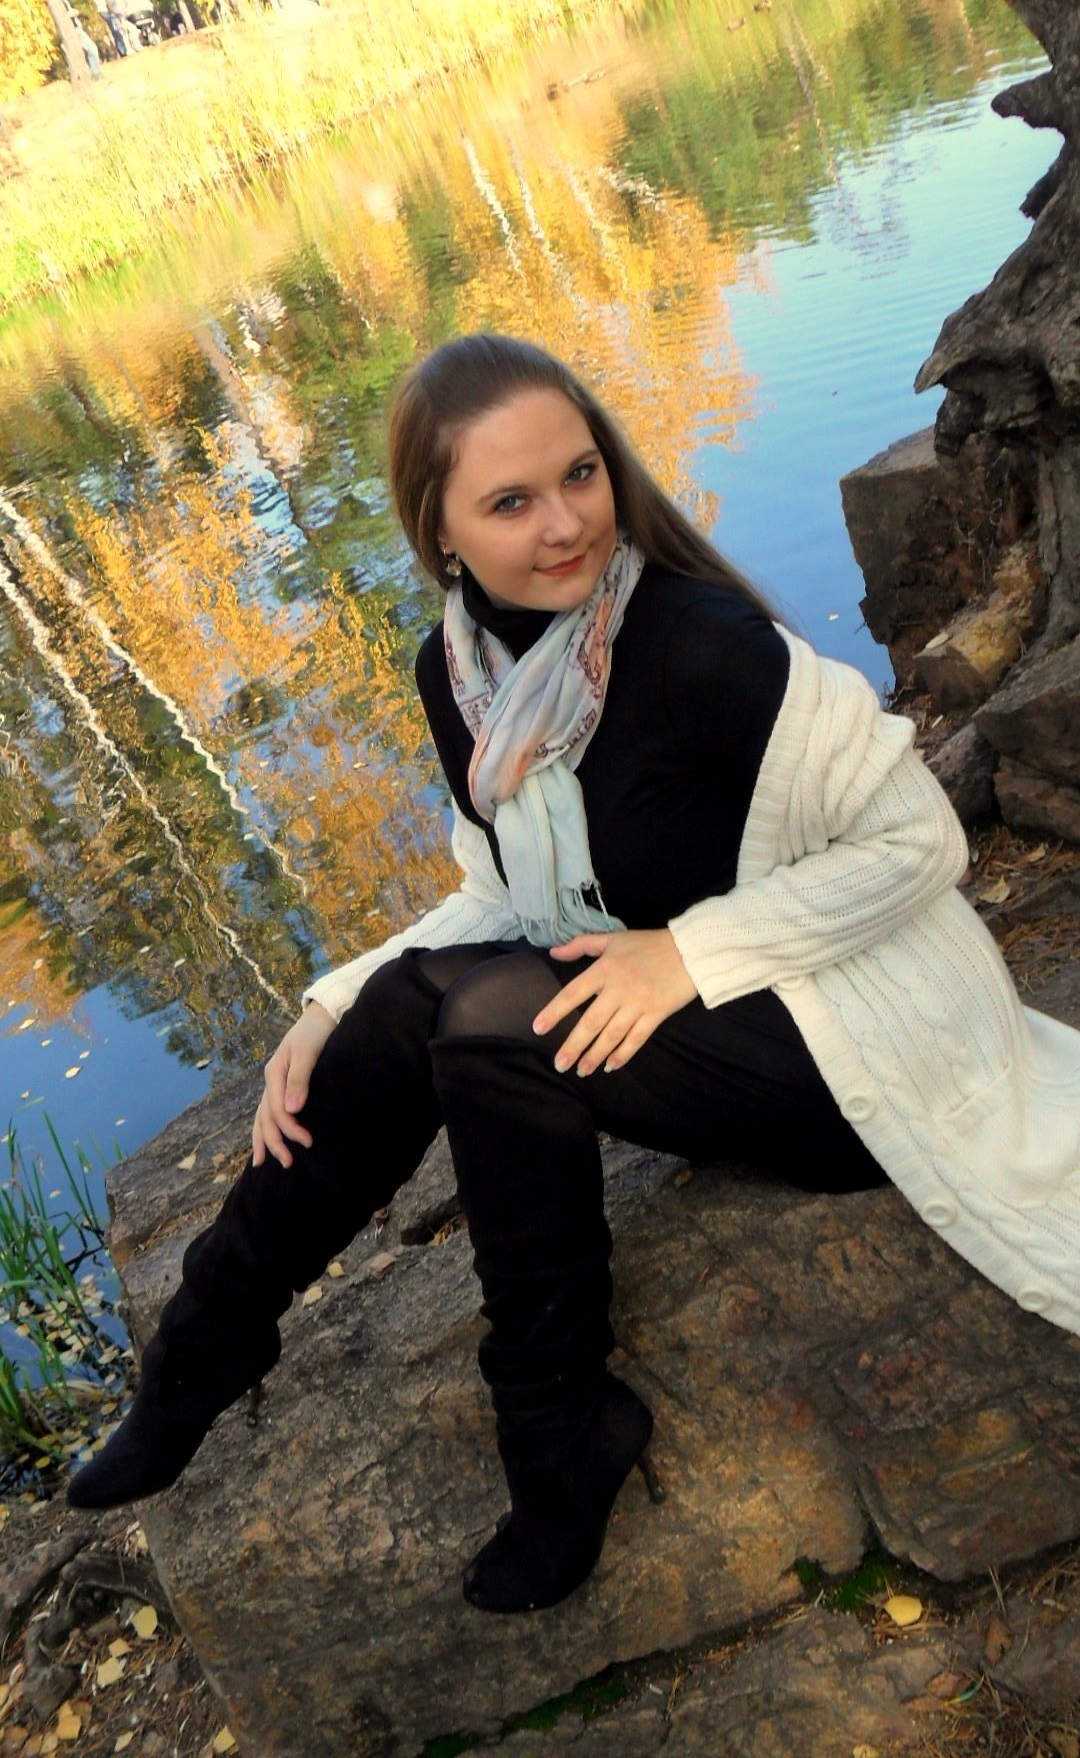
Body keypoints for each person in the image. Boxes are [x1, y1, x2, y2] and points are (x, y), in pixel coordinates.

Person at [69, 333, 1080, 1615]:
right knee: (406, 1007)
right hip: (709, 1022)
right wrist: (331, 1003)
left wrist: (685, 953)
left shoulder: (699, 644)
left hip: (860, 1037)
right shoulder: (461, 677)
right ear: (439, 533)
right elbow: (509, 891)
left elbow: (920, 842)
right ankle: (199, 1361)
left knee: (494, 1025)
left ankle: (555, 1429)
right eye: (511, 502)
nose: (566, 524)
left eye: (581, 476)